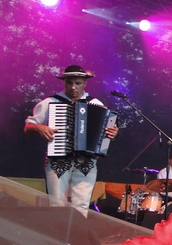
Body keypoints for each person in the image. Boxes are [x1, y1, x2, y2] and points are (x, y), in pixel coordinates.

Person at [24, 65, 119, 211]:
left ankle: (77, 227)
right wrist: (39, 128)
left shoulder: (95, 104)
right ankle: (57, 227)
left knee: (81, 206)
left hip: (86, 161)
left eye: (78, 83)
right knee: (56, 205)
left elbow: (106, 134)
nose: (73, 87)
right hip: (58, 160)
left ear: (85, 83)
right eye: (70, 83)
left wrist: (113, 133)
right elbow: (28, 127)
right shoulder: (50, 102)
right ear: (64, 82)